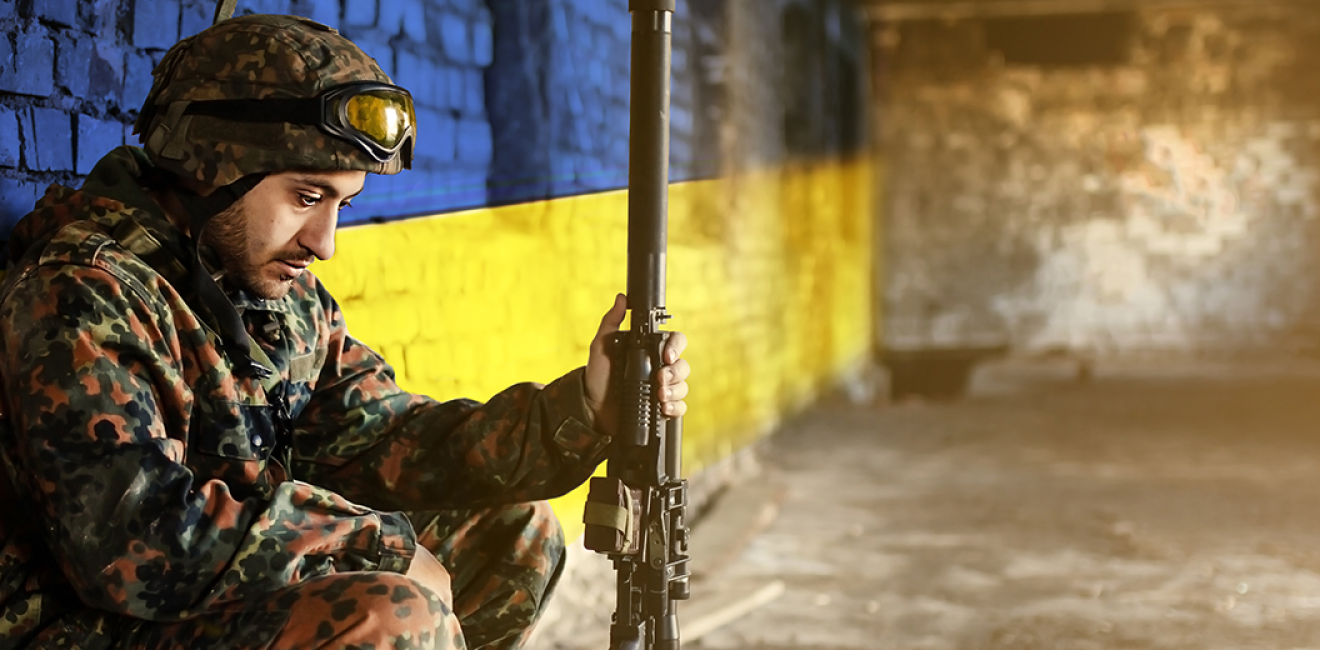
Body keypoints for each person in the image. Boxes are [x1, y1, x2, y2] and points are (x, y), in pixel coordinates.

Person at [0, 13, 689, 650]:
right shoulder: (85, 293)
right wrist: (379, 547)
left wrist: (583, 409)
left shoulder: (277, 297)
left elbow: (389, 440)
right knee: (394, 619)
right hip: (86, 623)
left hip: (190, 605)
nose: (325, 242)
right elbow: (136, 541)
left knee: (516, 532)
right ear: (213, 166)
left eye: (342, 204)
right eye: (305, 197)